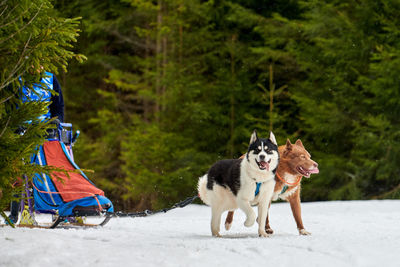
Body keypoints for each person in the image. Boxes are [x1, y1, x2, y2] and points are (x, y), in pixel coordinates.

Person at [7, 71, 64, 224]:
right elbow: (10, 105)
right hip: (21, 131)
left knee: (50, 172)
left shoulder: (50, 78)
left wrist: (56, 121)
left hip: (45, 132)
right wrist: (14, 124)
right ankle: (14, 214)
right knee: (19, 173)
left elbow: (58, 106)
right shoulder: (18, 78)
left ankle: (58, 209)